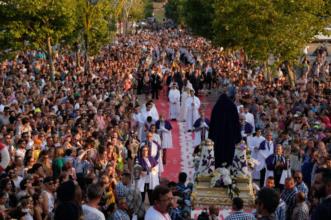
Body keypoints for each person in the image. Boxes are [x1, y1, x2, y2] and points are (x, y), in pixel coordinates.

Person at [209, 93, 241, 167]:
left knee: (218, 155)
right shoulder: (232, 107)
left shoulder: (216, 107)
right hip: (230, 137)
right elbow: (236, 123)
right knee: (229, 156)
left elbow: (212, 124)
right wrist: (238, 137)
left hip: (218, 138)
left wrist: (211, 137)